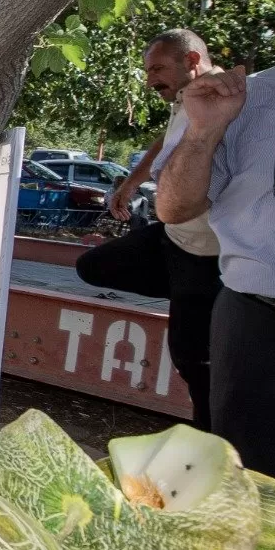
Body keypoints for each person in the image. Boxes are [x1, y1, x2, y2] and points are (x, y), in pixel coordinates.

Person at [154, 0, 275, 490]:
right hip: (253, 330)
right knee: (256, 503)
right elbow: (172, 209)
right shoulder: (245, 98)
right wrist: (202, 133)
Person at [76, 29, 222, 428]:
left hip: (208, 254)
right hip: (173, 239)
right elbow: (166, 139)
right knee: (93, 266)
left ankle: (209, 446)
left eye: (157, 68)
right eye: (147, 71)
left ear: (192, 62)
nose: (150, 79)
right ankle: (197, 298)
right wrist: (131, 181)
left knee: (194, 362)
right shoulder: (183, 100)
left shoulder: (222, 101)